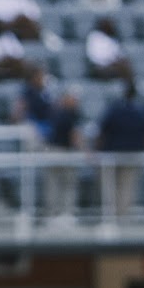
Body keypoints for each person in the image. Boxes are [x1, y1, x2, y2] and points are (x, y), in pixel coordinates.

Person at [95, 81, 144, 219]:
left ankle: (111, 215)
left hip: (113, 154)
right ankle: (122, 216)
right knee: (127, 186)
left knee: (110, 186)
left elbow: (102, 131)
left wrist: (98, 150)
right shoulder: (142, 111)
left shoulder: (115, 109)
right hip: (132, 154)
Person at [42, 88, 83, 218]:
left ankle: (53, 213)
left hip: (52, 151)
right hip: (63, 151)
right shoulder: (69, 114)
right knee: (67, 183)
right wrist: (85, 152)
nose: (76, 102)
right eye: (73, 99)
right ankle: (67, 213)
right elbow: (74, 136)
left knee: (53, 183)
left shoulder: (56, 111)